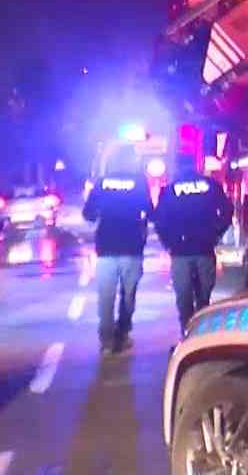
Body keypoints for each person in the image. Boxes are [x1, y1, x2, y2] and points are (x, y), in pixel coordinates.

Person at [82, 150, 154, 354]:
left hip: (106, 246)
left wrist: (102, 212)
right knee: (128, 294)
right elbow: (150, 211)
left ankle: (106, 339)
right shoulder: (139, 183)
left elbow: (88, 214)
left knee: (106, 295)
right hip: (132, 245)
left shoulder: (102, 183)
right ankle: (122, 334)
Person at [153, 153, 234, 330]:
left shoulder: (170, 190)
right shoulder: (210, 185)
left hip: (180, 251)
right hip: (204, 248)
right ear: (195, 166)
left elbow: (158, 220)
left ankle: (187, 332)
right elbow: (227, 210)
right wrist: (217, 233)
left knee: (184, 298)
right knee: (203, 298)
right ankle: (202, 333)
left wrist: (168, 242)